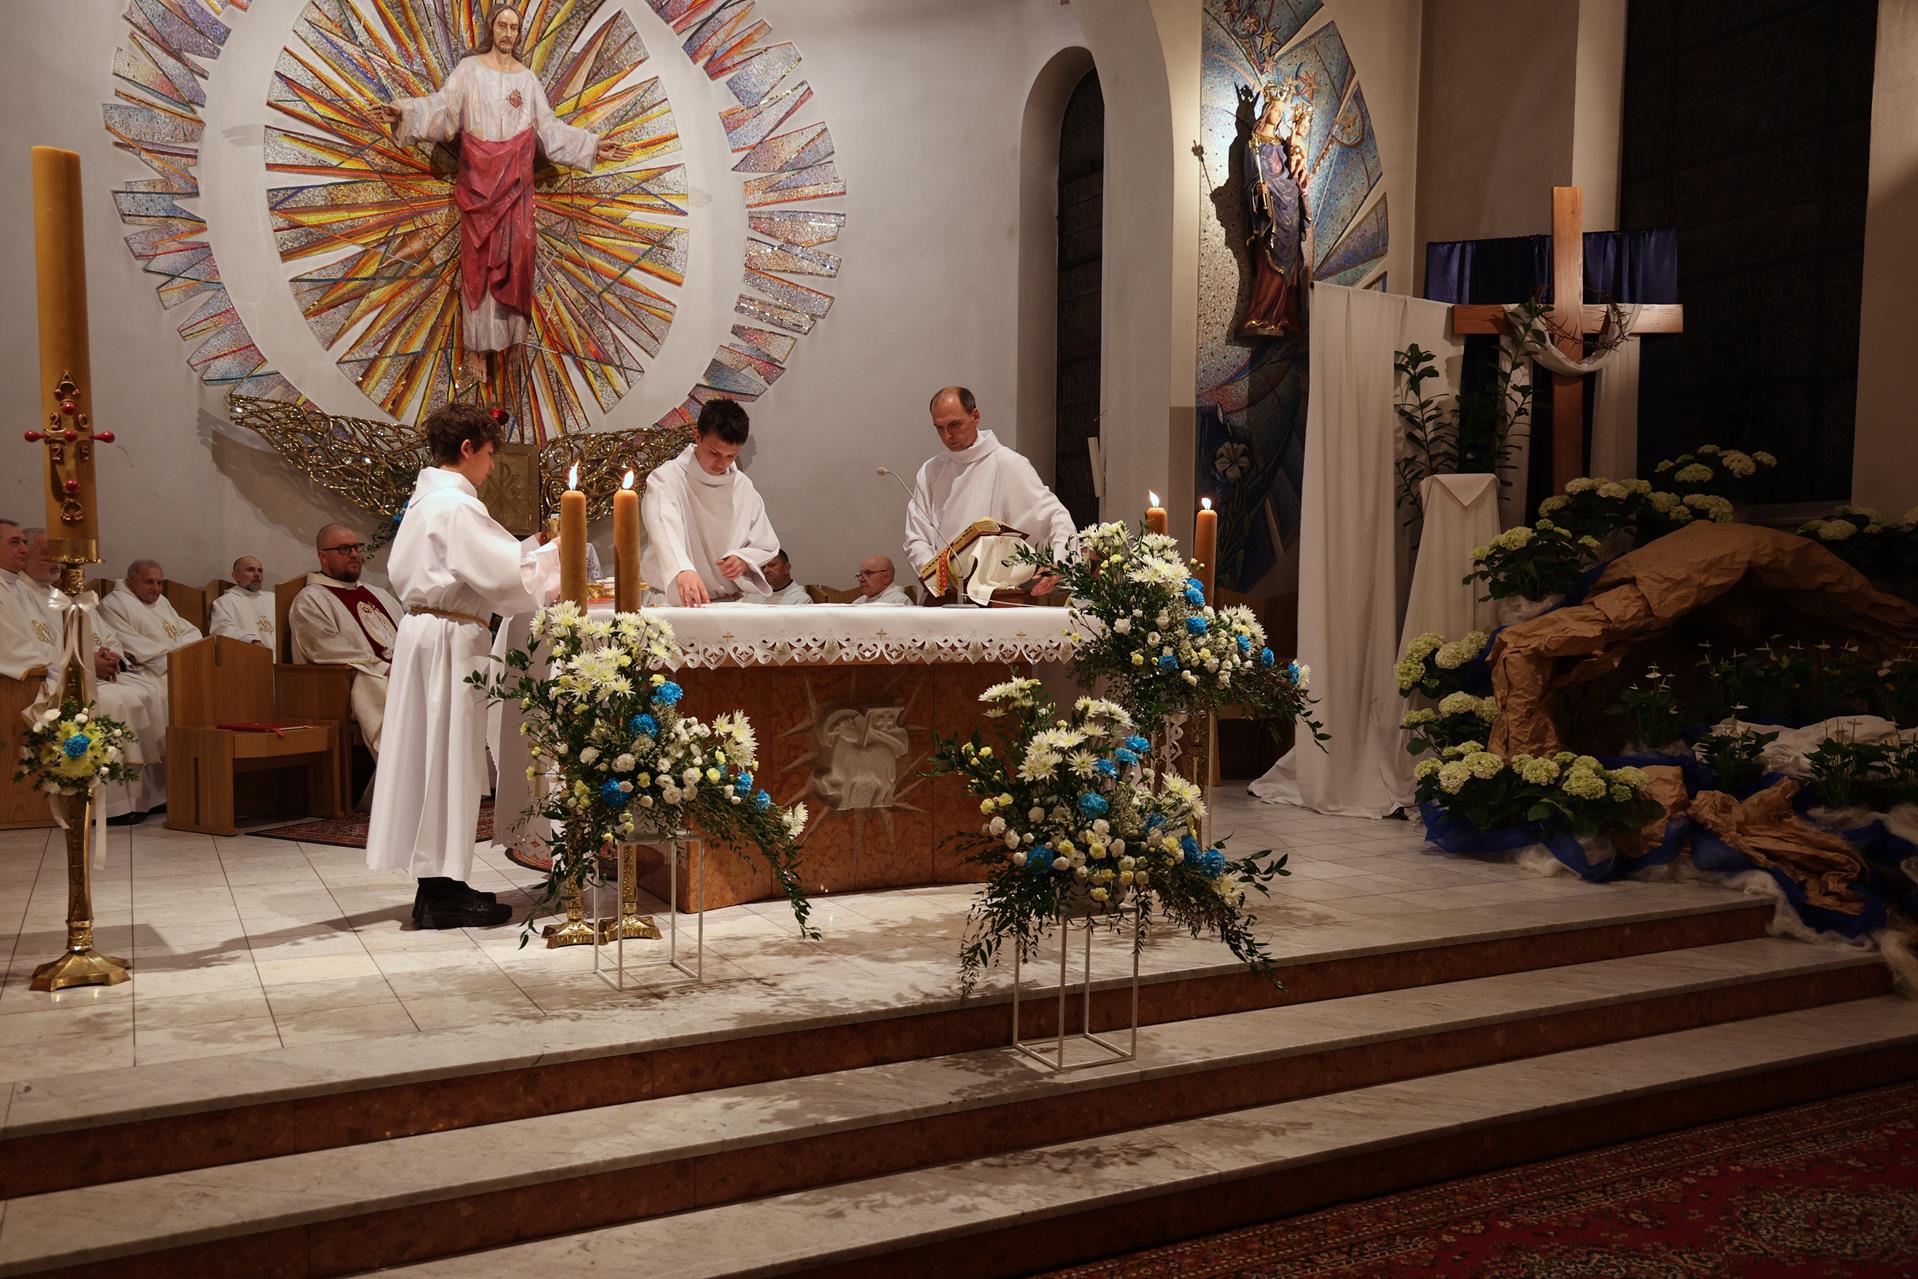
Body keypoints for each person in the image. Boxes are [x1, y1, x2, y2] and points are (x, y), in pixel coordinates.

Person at [366, 403, 558, 929]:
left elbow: (477, 567)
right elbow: (508, 582)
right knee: (448, 759)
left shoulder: (427, 501)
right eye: (490, 454)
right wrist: (556, 552)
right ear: (468, 448)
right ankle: (442, 891)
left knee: (432, 758)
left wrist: (529, 551)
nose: (492, 467)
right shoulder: (456, 504)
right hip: (449, 640)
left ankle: (438, 884)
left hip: (426, 634)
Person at [375, 5, 631, 385]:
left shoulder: (526, 80)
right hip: (479, 184)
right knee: (478, 264)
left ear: (519, 33)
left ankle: (510, 338)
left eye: (514, 27)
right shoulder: (470, 70)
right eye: (502, 25)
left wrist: (593, 146)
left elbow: (549, 130)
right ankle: (478, 346)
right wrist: (403, 110)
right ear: (491, 29)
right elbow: (442, 109)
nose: (508, 33)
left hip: (516, 186)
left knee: (518, 256)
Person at [0, 520, 166, 820]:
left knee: (148, 692)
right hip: (31, 684)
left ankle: (148, 796)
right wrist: (87, 664)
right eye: (15, 542)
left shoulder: (31, 590)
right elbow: (22, 652)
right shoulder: (16, 590)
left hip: (61, 672)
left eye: (24, 542)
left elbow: (65, 642)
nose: (23, 549)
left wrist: (99, 660)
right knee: (117, 701)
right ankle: (113, 806)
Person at [904, 387, 1075, 601]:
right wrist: (937, 576)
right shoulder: (931, 470)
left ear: (975, 417)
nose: (947, 435)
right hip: (943, 595)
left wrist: (1059, 562)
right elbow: (917, 537)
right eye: (939, 428)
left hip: (995, 596)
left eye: (954, 424)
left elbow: (1055, 516)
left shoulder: (1009, 464)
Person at [641, 398, 783, 608]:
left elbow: (765, 543)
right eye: (714, 453)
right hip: (675, 603)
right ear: (697, 436)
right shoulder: (667, 478)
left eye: (731, 456)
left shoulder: (742, 486)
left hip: (728, 602)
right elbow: (662, 525)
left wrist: (744, 559)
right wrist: (682, 568)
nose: (721, 463)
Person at [288, 526, 403, 755]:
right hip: (342, 688)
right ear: (323, 556)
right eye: (344, 549)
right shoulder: (311, 599)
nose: (354, 554)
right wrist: (383, 667)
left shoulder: (379, 594)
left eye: (357, 547)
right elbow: (322, 648)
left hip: (399, 675)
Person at [1240, 83, 1312, 338]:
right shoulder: (1254, 144)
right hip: (1271, 209)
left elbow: (1293, 174)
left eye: (1282, 113)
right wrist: (1257, 187)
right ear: (1267, 110)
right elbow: (1251, 178)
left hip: (1289, 206)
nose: (1279, 116)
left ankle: (1284, 316)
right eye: (1276, 111)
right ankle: (1260, 314)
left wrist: (1301, 181)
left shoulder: (1283, 145)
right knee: (1269, 255)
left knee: (1291, 263)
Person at [98, 558, 203, 680]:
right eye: (149, 582)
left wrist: (185, 654)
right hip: (149, 670)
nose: (156, 588)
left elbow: (188, 630)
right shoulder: (113, 604)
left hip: (177, 661)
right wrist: (177, 658)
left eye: (159, 583)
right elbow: (135, 647)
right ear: (131, 582)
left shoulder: (161, 600)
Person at [208, 555, 275, 647]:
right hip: (249, 652)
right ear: (236, 576)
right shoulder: (226, 601)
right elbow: (222, 629)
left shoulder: (272, 598)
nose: (257, 574)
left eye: (260, 571)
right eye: (250, 570)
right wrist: (251, 641)